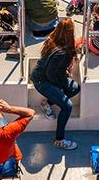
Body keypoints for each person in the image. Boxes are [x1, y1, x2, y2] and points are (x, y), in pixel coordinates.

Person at [31, 18, 79, 150]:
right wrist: (62, 86)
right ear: (70, 33)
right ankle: (59, 139)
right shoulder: (61, 52)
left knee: (75, 88)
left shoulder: (52, 40)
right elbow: (50, 74)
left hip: (47, 76)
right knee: (67, 107)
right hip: (42, 81)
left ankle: (47, 103)